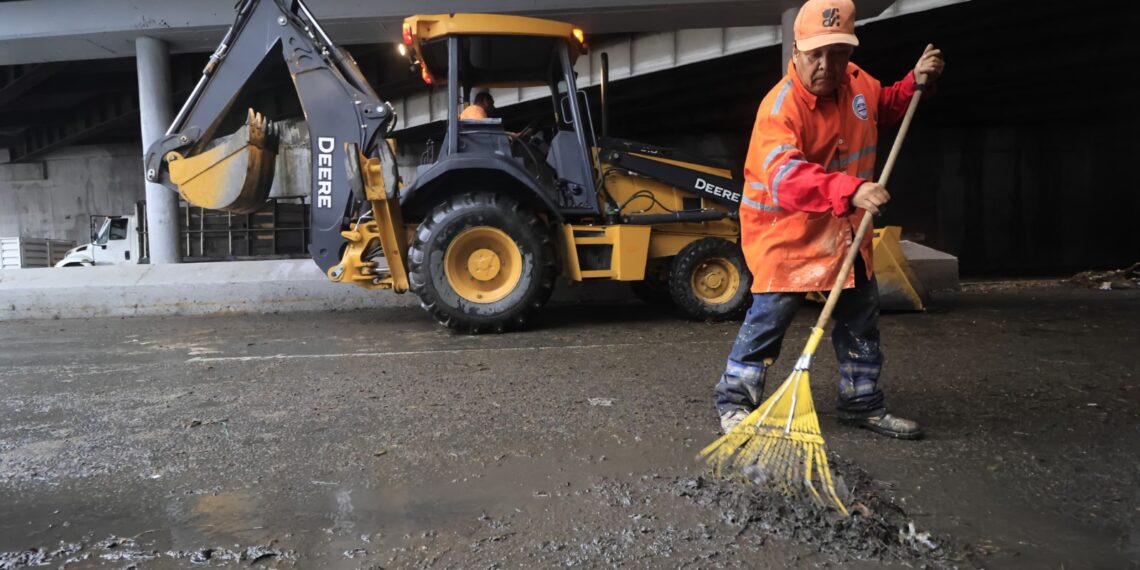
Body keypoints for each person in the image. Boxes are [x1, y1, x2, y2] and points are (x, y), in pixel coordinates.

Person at [715, 0, 944, 439]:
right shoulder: (779, 109)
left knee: (861, 316)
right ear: (796, 52)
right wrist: (851, 189)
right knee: (771, 318)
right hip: (788, 236)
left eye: (838, 53)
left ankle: (861, 402)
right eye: (816, 54)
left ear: (850, 53)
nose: (827, 65)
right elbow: (785, 178)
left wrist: (915, 83)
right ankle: (734, 402)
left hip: (844, 233)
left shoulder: (859, 85)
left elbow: (884, 107)